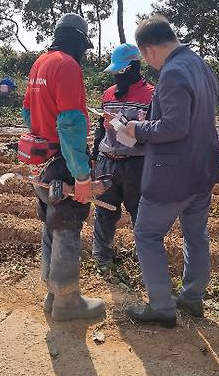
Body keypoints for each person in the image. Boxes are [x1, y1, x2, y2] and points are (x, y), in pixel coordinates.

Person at [122, 16, 219, 328]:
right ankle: (192, 297)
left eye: (145, 58)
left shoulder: (173, 72)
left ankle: (162, 306)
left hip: (173, 174)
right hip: (201, 170)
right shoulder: (200, 65)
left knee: (147, 234)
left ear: (149, 50)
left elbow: (175, 126)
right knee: (195, 234)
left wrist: (137, 127)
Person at [21, 13, 105, 321]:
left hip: (41, 160)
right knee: (68, 224)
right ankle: (68, 301)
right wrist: (82, 175)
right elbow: (70, 124)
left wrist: (44, 132)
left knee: (50, 222)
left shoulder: (40, 62)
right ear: (79, 41)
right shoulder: (67, 66)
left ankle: (51, 295)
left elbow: (28, 113)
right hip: (63, 161)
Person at [90, 44, 154, 270]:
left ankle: (145, 261)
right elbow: (100, 128)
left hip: (137, 164)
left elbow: (156, 131)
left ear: (134, 67)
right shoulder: (108, 94)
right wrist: (95, 154)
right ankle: (101, 259)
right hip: (108, 161)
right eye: (115, 72)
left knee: (141, 215)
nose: (117, 76)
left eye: (121, 71)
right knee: (104, 211)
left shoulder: (151, 95)